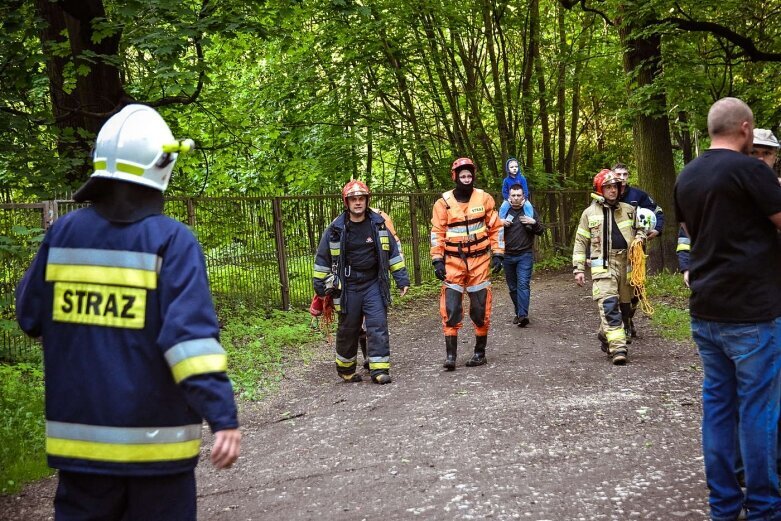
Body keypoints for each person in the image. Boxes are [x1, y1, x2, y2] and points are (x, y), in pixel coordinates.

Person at [15, 104, 241, 521]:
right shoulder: (173, 241)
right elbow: (188, 342)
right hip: (157, 452)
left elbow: (28, 316)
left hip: (79, 454)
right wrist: (222, 416)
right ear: (163, 165)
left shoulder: (63, 234)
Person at [674, 97, 781, 521]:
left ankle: (723, 506)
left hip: (706, 311)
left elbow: (691, 232)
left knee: (718, 409)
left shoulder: (687, 176)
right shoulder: (751, 169)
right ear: (744, 127)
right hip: (753, 312)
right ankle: (765, 510)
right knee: (758, 410)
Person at [313, 180, 410, 384]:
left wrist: (401, 279)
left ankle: (379, 370)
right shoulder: (335, 229)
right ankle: (346, 369)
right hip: (347, 287)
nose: (358, 203)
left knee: (377, 325)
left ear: (367, 200)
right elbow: (322, 259)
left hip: (373, 283)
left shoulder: (378, 224)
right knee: (348, 329)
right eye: (353, 199)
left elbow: (392, 254)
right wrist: (320, 287)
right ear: (346, 202)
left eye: (361, 199)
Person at [431, 157, 504, 370]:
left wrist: (498, 254)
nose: (466, 179)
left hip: (480, 261)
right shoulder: (443, 203)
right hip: (453, 262)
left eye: (469, 175)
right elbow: (437, 233)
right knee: (451, 307)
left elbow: (496, 228)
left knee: (480, 308)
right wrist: (437, 260)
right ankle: (451, 356)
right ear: (455, 177)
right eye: (462, 176)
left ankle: (480, 352)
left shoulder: (484, 199)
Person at [572, 169, 646, 365]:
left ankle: (605, 335)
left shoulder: (629, 209)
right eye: (608, 187)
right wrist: (578, 268)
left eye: (615, 187)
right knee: (609, 306)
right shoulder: (589, 213)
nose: (613, 190)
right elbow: (580, 242)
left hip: (627, 265)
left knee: (625, 310)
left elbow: (640, 230)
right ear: (600, 189)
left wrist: (640, 237)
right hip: (603, 266)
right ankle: (619, 348)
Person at [612, 162, 664, 341]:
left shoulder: (638, 195)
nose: (621, 178)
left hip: (637, 250)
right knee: (617, 290)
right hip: (614, 251)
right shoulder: (608, 195)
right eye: (618, 174)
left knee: (636, 289)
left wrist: (657, 229)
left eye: (625, 174)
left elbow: (657, 211)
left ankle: (628, 319)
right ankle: (623, 324)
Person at [358, 207, 402, 370]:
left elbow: (394, 247)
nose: (357, 202)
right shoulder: (343, 220)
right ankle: (367, 355)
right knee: (357, 323)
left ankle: (375, 358)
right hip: (352, 282)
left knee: (375, 321)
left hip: (377, 278)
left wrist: (400, 277)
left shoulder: (381, 218)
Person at [501, 183, 544, 327]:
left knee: (523, 285)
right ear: (509, 197)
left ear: (523, 196)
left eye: (519, 195)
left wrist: (533, 222)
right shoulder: (504, 213)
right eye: (513, 195)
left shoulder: (529, 211)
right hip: (507, 256)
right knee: (513, 287)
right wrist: (500, 224)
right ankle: (518, 311)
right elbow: (491, 231)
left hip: (525, 254)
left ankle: (523, 315)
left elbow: (540, 231)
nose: (516, 198)